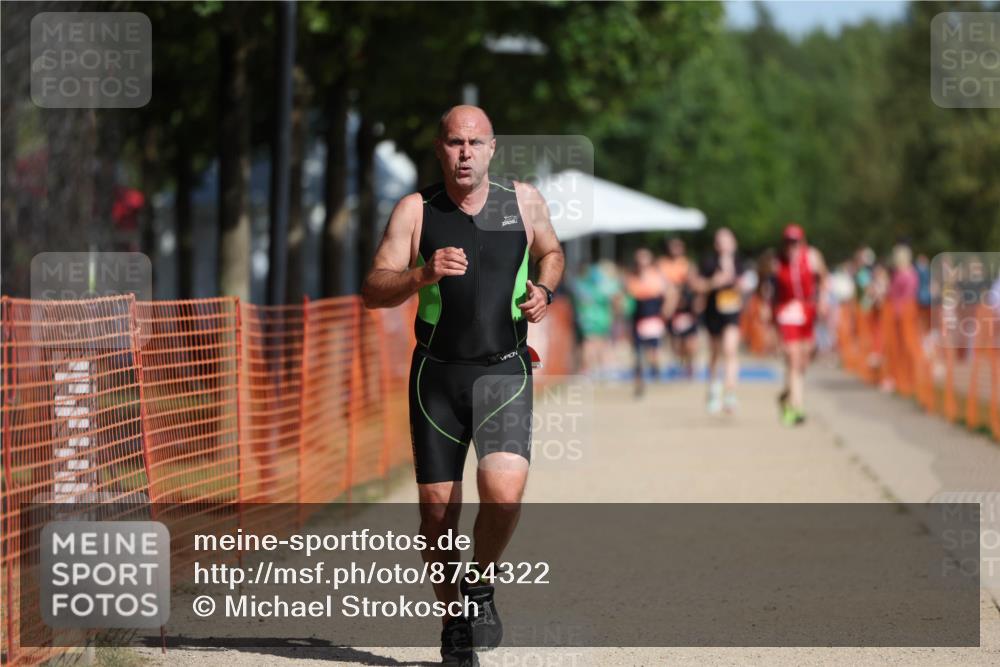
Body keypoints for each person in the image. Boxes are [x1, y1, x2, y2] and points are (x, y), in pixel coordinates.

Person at [361, 105, 564, 666]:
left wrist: (545, 290)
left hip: (504, 369)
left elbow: (551, 251)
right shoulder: (415, 211)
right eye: (455, 143)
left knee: (503, 494)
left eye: (475, 143)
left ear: (493, 148)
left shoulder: (523, 201)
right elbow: (373, 287)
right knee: (436, 514)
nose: (465, 153)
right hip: (437, 376)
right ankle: (454, 622)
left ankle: (481, 585)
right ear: (439, 148)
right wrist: (421, 274)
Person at [771, 223, 828, 426]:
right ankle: (797, 406)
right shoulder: (777, 262)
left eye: (795, 242)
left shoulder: (812, 257)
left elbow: (823, 279)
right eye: (788, 242)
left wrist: (822, 301)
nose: (791, 246)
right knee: (793, 358)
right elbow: (770, 290)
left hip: (807, 312)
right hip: (786, 313)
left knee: (803, 361)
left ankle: (787, 394)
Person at [691, 227, 746, 414]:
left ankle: (730, 393)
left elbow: (743, 284)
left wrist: (740, 285)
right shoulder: (708, 261)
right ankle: (714, 389)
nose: (724, 244)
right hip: (713, 312)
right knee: (715, 352)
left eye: (727, 240)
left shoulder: (739, 262)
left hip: (732, 311)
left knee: (730, 350)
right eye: (721, 240)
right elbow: (697, 285)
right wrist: (714, 282)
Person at [625, 247, 668, 397]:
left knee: (653, 352)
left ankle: (655, 368)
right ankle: (639, 384)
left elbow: (669, 294)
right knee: (637, 355)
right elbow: (625, 298)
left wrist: (666, 311)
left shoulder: (657, 277)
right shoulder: (631, 278)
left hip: (653, 318)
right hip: (637, 320)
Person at [658, 237, 698, 378]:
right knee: (675, 341)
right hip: (671, 309)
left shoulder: (687, 264)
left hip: (686, 308)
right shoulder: (663, 264)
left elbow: (693, 283)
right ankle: (681, 362)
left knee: (690, 342)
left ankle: (690, 365)